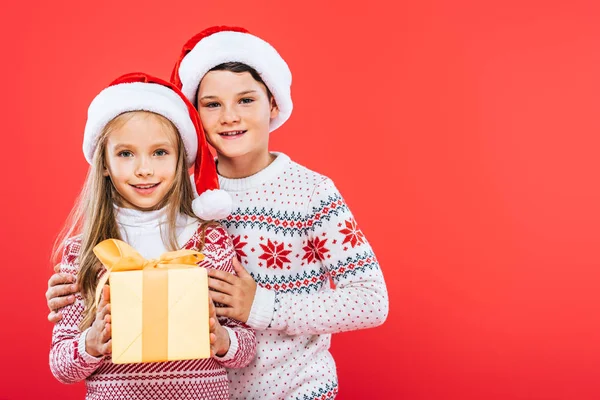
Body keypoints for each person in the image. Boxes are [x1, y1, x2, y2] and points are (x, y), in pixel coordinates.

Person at [47, 27, 389, 399]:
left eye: (245, 100)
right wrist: (78, 288)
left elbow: (371, 300)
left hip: (295, 389)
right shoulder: (174, 196)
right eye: (212, 104)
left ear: (272, 104)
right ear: (192, 117)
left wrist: (261, 305)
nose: (229, 116)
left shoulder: (311, 193)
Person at [49, 72, 256, 400]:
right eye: (125, 154)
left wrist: (222, 340)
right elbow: (61, 365)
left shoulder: (209, 242)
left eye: (159, 152)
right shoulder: (85, 252)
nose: (143, 168)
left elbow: (246, 349)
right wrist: (90, 343)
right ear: (103, 162)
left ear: (179, 161)